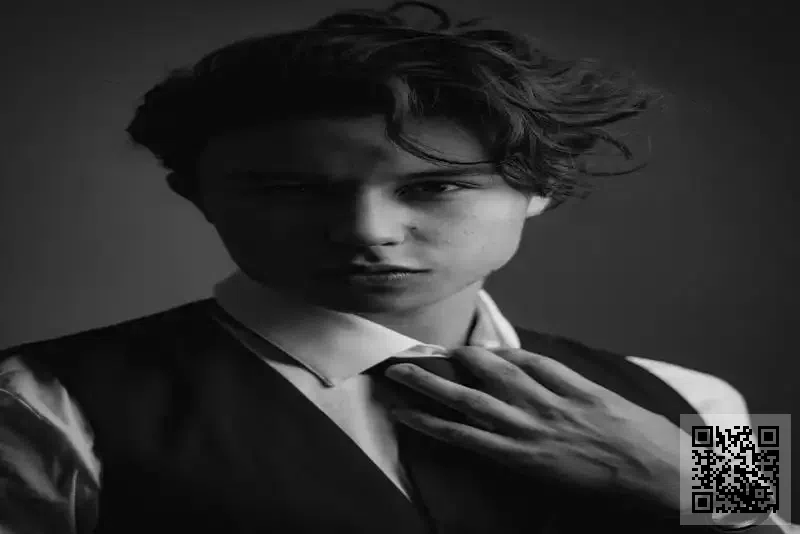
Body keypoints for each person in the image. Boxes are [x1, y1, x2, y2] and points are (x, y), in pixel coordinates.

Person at [0, 2, 792, 533]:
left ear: (540, 187)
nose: (366, 232)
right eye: (290, 190)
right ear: (198, 195)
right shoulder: (33, 403)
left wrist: (696, 492)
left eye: (435, 186)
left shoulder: (701, 400)